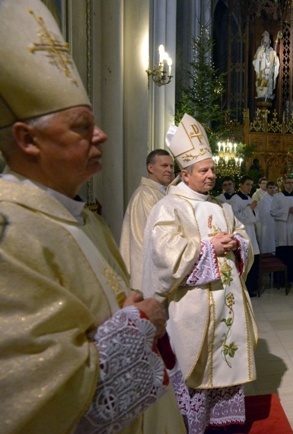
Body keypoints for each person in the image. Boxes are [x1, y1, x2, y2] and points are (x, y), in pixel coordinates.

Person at [0, 2, 182, 432]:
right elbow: (33, 392)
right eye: (82, 126)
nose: (100, 135)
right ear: (28, 139)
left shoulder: (83, 216)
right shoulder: (11, 233)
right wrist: (140, 323)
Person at [142, 114, 257, 434]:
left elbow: (244, 240)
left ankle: (225, 425)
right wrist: (208, 247)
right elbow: (165, 256)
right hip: (190, 311)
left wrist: (236, 245)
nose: (211, 176)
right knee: (195, 374)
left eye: (212, 170)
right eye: (203, 171)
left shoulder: (222, 207)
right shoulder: (169, 208)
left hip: (227, 308)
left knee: (225, 370)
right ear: (186, 174)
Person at [120, 149, 174, 291]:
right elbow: (149, 238)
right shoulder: (145, 195)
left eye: (171, 166)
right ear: (150, 168)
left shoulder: (162, 193)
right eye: (164, 166)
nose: (169, 170)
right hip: (149, 271)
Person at [224, 175, 261, 297]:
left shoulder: (249, 197)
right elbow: (235, 217)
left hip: (251, 232)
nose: (250, 187)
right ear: (241, 185)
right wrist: (250, 208)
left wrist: (252, 209)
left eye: (251, 184)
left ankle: (252, 287)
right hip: (242, 232)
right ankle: (245, 288)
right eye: (247, 184)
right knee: (245, 259)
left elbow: (254, 217)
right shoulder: (235, 199)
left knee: (253, 259)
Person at [271, 176, 293, 282]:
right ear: (284, 184)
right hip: (282, 228)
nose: (290, 184)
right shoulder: (277, 196)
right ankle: (281, 278)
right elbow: (273, 212)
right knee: (283, 253)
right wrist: (287, 210)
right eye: (287, 182)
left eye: (291, 182)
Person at [252, 31, 279, 101]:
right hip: (262, 72)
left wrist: (275, 62)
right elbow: (255, 60)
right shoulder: (259, 49)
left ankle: (268, 94)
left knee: (269, 82)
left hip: (268, 71)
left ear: (269, 41)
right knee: (261, 82)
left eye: (267, 39)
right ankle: (261, 95)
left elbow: (275, 62)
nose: (265, 40)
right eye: (264, 39)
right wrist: (260, 56)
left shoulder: (272, 51)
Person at [258, 181, 278, 254]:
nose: (272, 190)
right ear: (267, 189)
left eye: (273, 188)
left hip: (274, 223)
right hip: (267, 224)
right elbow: (266, 212)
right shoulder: (264, 199)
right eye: (270, 188)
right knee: (268, 243)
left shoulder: (275, 197)